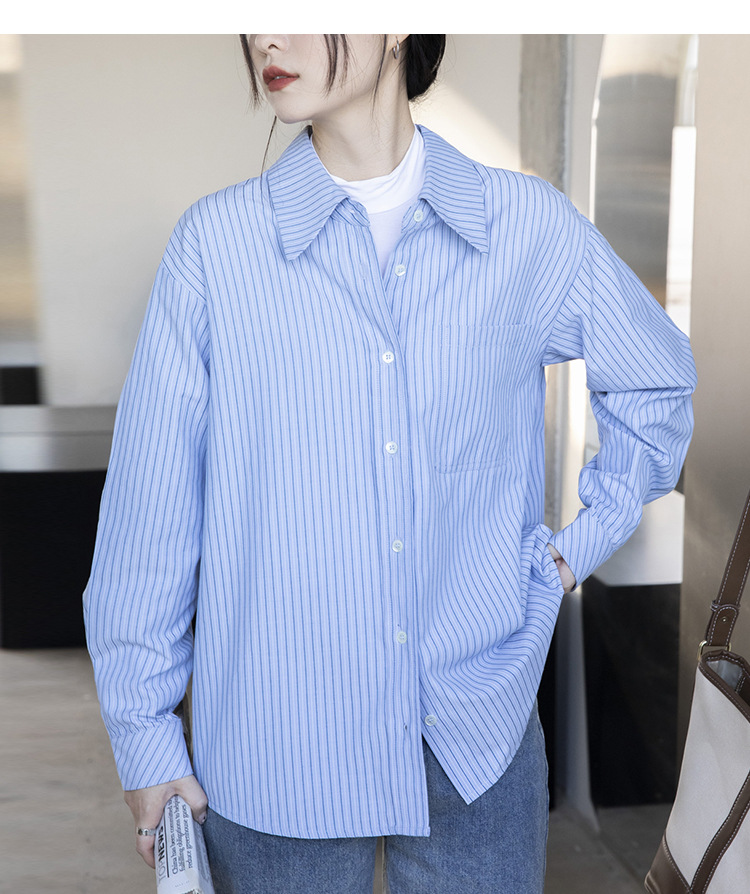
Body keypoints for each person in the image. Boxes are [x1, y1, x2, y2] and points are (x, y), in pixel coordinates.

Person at [84, 34, 696, 894]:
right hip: (277, 748)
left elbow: (656, 383)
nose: (266, 34)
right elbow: (151, 518)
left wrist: (566, 556)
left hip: (475, 736)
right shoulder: (215, 250)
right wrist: (146, 735)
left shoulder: (525, 227)